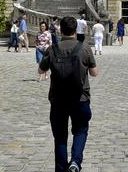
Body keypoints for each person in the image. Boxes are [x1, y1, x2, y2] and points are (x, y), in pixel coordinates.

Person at [38, 15, 98, 172]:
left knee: (60, 137)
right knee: (80, 131)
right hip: (80, 97)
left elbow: (41, 70)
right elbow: (94, 73)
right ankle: (75, 162)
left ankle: (60, 168)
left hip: (58, 99)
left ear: (60, 30)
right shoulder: (84, 48)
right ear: (75, 30)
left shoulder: (53, 49)